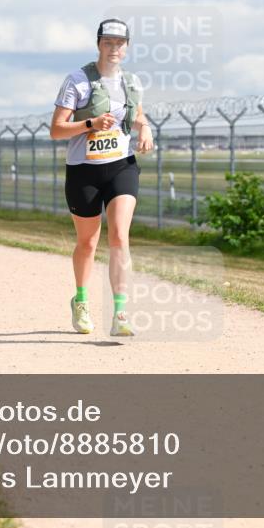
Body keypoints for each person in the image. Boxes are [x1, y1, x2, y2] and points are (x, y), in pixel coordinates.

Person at [49, 18, 154, 337]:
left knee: (120, 236)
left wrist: (145, 127)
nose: (113, 48)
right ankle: (81, 301)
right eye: (108, 42)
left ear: (127, 48)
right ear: (98, 44)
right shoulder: (77, 81)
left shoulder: (132, 82)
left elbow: (135, 115)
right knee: (87, 242)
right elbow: (56, 129)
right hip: (84, 170)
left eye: (119, 43)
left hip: (121, 165)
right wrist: (90, 124)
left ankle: (120, 311)